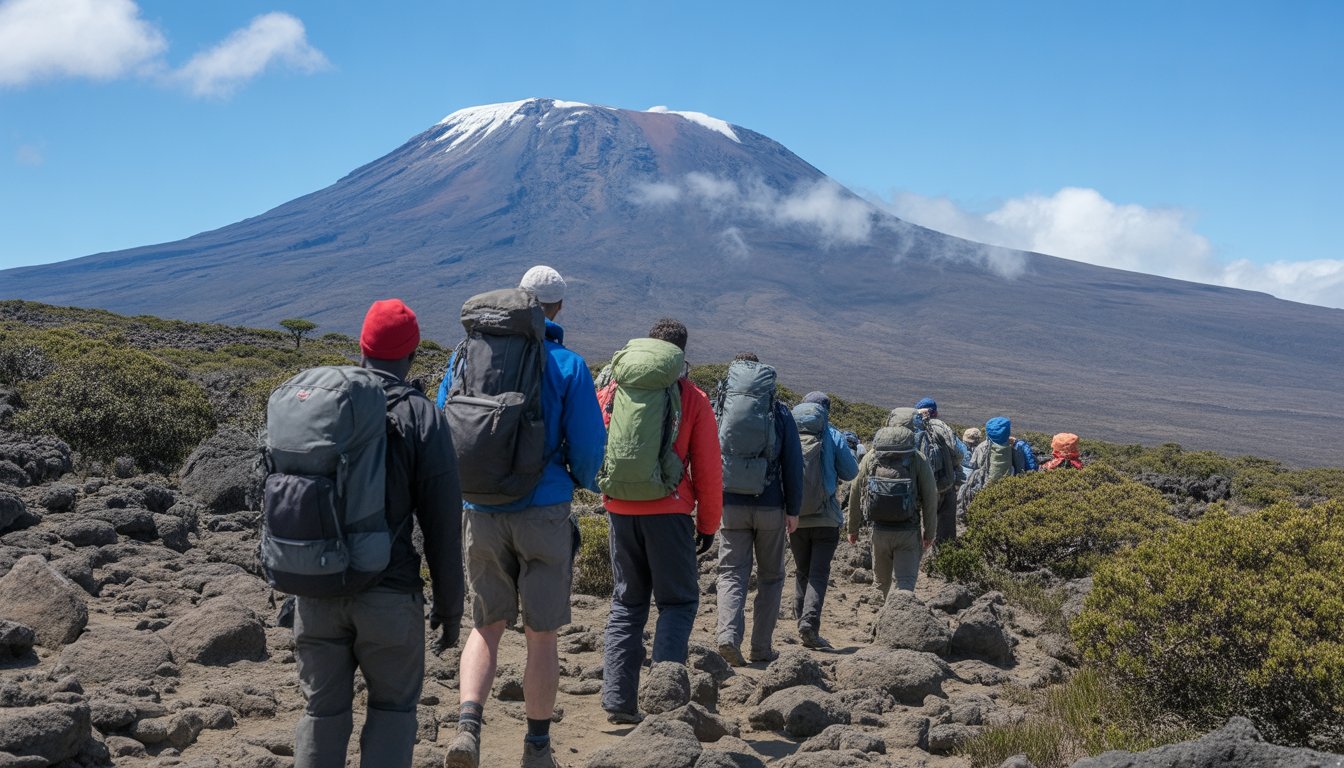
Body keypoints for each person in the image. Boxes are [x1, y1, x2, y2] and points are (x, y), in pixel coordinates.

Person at [441, 267, 606, 768]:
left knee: (486, 625)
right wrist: (582, 480)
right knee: (542, 634)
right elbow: (588, 446)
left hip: (480, 508)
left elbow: (444, 420)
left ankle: (468, 727)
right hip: (544, 510)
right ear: (556, 309)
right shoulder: (569, 364)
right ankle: (536, 747)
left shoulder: (465, 355)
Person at [292, 299, 463, 768]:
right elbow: (443, 527)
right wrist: (450, 610)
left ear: (361, 348)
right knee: (392, 710)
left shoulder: (319, 406)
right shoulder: (421, 415)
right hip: (389, 595)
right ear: (412, 355)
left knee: (320, 712)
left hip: (316, 591)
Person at [599, 318, 723, 723]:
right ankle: (665, 704)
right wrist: (708, 525)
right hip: (669, 513)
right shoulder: (693, 397)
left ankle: (618, 701)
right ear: (680, 354)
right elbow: (707, 470)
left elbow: (598, 443)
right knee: (678, 602)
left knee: (626, 604)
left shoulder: (615, 390)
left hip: (619, 509)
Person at [715, 353, 804, 666]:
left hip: (730, 505)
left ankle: (727, 635)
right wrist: (793, 509)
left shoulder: (721, 410)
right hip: (770, 506)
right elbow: (794, 464)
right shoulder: (778, 412)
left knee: (730, 574)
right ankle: (761, 649)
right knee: (770, 578)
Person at [789, 392, 858, 649]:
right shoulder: (833, 434)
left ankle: (800, 621)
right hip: (827, 517)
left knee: (801, 570)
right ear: (826, 410)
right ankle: (809, 623)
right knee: (818, 573)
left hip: (795, 517)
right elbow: (851, 472)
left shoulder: (789, 433)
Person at [846, 424, 938, 597]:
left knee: (880, 586)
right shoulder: (917, 458)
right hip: (908, 532)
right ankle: (899, 621)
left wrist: (852, 528)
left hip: (879, 531)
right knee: (905, 585)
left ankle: (876, 621)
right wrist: (929, 532)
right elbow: (930, 497)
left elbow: (855, 490)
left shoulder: (871, 457)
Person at [913, 397, 965, 544]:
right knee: (945, 521)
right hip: (943, 483)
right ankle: (943, 553)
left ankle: (917, 551)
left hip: (918, 485)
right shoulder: (941, 428)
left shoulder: (911, 429)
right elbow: (960, 453)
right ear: (935, 413)